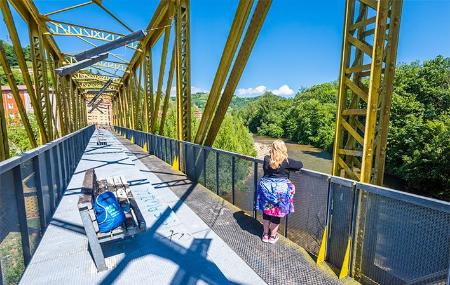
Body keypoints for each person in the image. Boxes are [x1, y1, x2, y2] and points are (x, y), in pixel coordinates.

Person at [256, 139, 303, 244]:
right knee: (276, 213)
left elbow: (271, 170)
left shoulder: (266, 159)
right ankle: (272, 237)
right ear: (283, 149)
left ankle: (265, 235)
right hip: (279, 192)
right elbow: (300, 165)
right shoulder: (286, 161)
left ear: (272, 149)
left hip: (266, 190)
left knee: (267, 211)